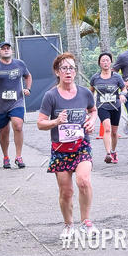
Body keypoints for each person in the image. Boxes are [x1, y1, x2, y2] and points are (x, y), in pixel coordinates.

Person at [38, 52, 98, 239]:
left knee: (83, 180)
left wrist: (92, 121)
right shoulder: (51, 96)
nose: (68, 71)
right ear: (57, 72)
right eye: (64, 68)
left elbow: (93, 110)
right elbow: (40, 123)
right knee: (66, 192)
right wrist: (56, 121)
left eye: (71, 67)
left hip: (81, 146)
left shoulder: (84, 93)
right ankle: (68, 225)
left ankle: (86, 222)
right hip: (60, 149)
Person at [0, 42, 32, 169]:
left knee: (18, 126)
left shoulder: (19, 64)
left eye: (8, 48)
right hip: (1, 105)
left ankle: (18, 157)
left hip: (16, 102)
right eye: (3, 49)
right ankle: (6, 156)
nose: (6, 50)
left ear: (12, 51)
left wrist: (28, 89)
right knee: (4, 132)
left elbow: (28, 76)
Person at [90, 52, 128, 164]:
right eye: (103, 60)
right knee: (107, 128)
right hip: (102, 107)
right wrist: (89, 105)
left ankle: (113, 151)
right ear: (99, 63)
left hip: (115, 106)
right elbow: (90, 92)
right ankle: (108, 154)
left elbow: (124, 89)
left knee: (114, 132)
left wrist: (122, 94)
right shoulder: (95, 78)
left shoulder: (117, 77)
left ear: (111, 62)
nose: (105, 62)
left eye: (107, 60)